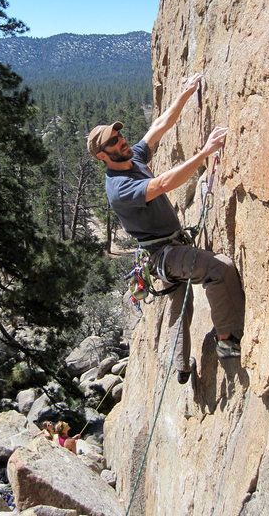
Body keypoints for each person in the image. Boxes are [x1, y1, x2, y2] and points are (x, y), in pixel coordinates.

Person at [87, 73, 245, 384]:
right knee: (220, 269)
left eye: (119, 136)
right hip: (162, 254)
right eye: (114, 142)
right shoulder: (119, 187)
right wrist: (204, 154)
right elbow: (162, 184)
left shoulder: (131, 159)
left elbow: (157, 128)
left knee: (179, 301)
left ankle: (180, 365)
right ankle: (227, 342)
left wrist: (185, 94)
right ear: (103, 156)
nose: (122, 140)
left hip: (166, 250)